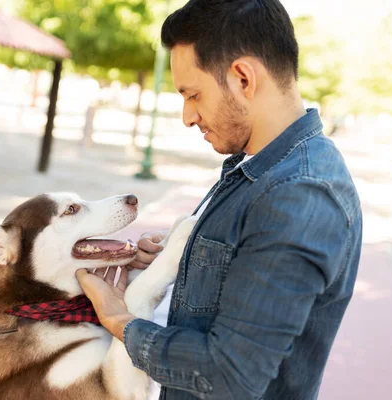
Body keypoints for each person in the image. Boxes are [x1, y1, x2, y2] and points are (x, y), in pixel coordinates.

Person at [76, 0, 363, 399]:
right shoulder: (255, 166)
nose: (187, 117)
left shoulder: (299, 194)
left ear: (243, 78)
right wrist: (179, 263)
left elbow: (230, 375)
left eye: (192, 95)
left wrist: (119, 321)